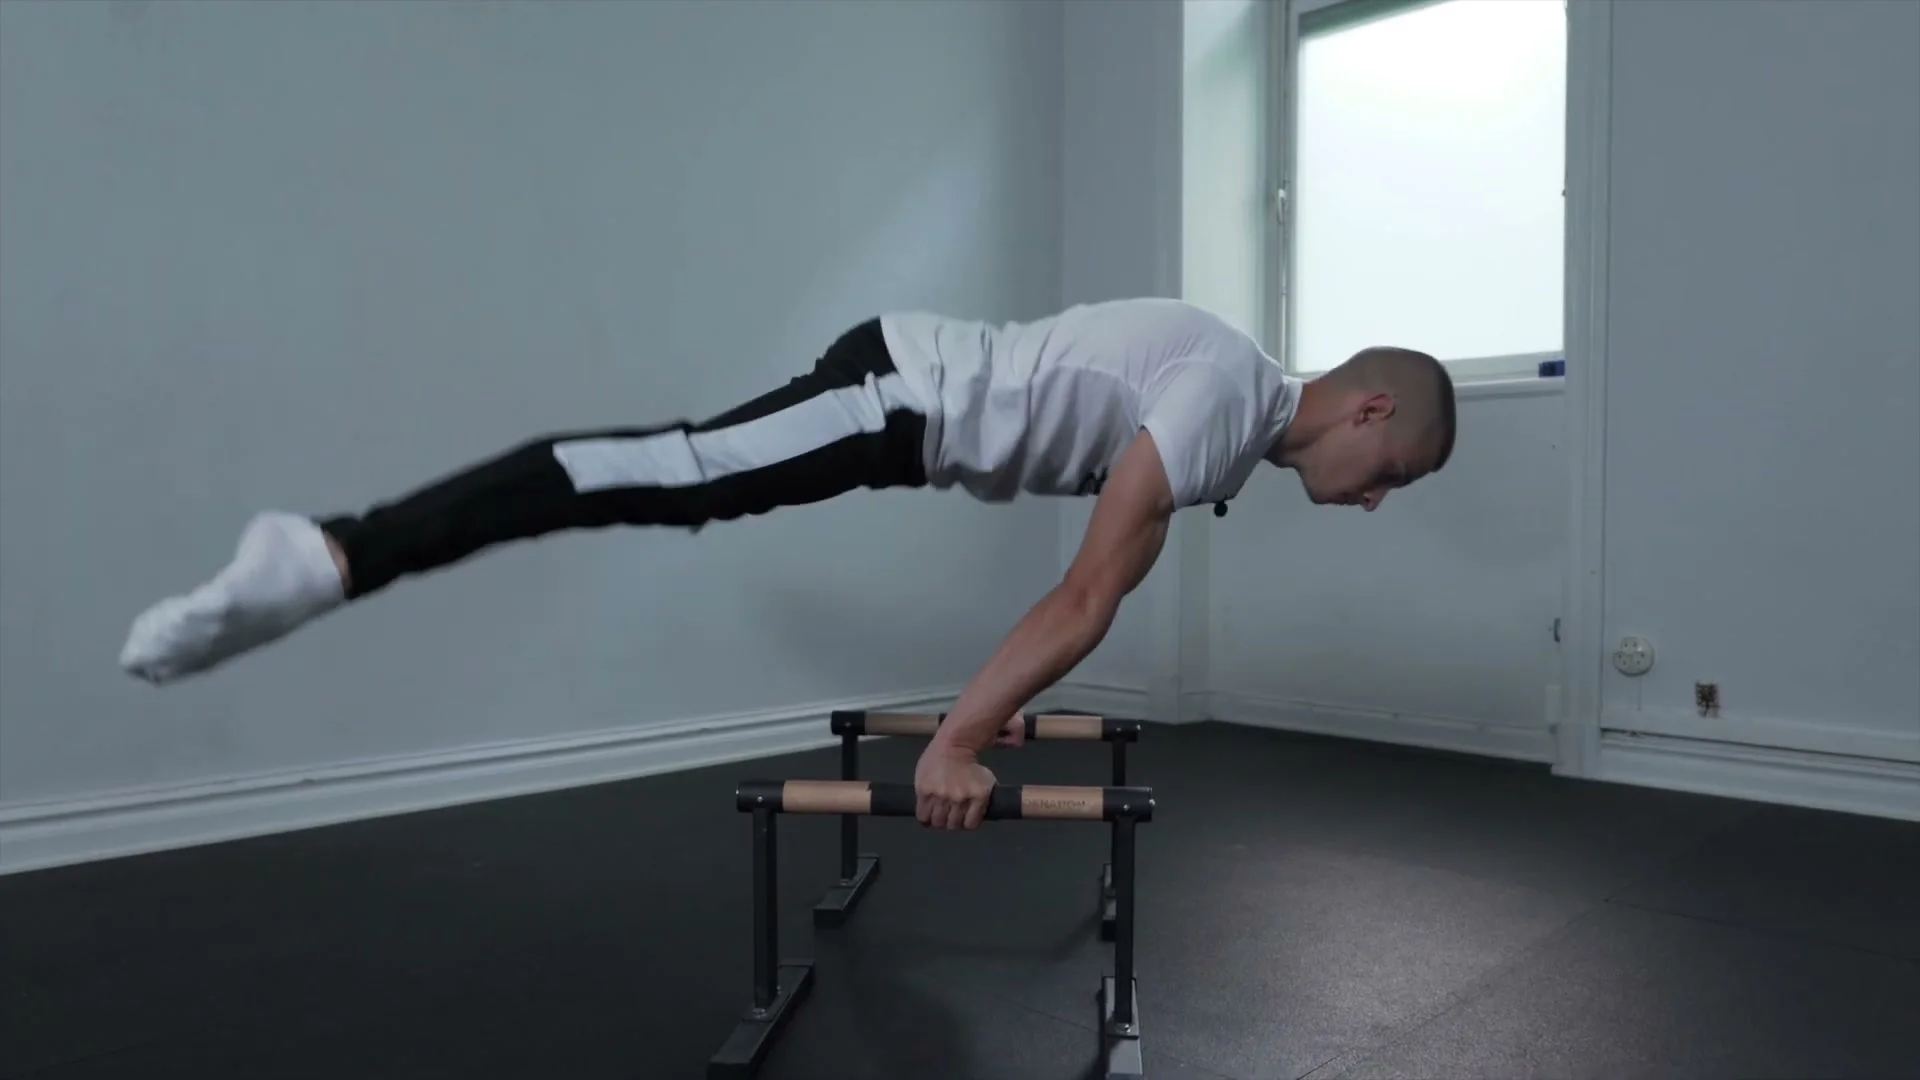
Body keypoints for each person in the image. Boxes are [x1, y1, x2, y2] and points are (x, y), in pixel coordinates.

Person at [118, 297, 1455, 831]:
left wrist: (973, 724)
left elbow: (1099, 586)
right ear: (1371, 411)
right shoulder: (1232, 388)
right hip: (898, 393)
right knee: (680, 474)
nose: (1375, 502)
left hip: (906, 419)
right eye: (1389, 477)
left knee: (683, 480)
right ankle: (333, 550)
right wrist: (958, 740)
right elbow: (1086, 595)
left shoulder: (1232, 434)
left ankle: (340, 554)